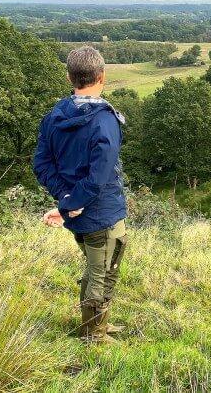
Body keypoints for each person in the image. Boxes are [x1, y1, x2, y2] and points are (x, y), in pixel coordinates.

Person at [33, 45, 127, 344]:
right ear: (102, 76)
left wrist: (66, 200)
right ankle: (93, 335)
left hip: (77, 213)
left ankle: (98, 324)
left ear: (69, 77)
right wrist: (70, 204)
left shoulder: (54, 117)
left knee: (95, 267)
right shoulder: (105, 120)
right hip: (102, 212)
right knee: (103, 272)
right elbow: (99, 177)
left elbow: (42, 164)